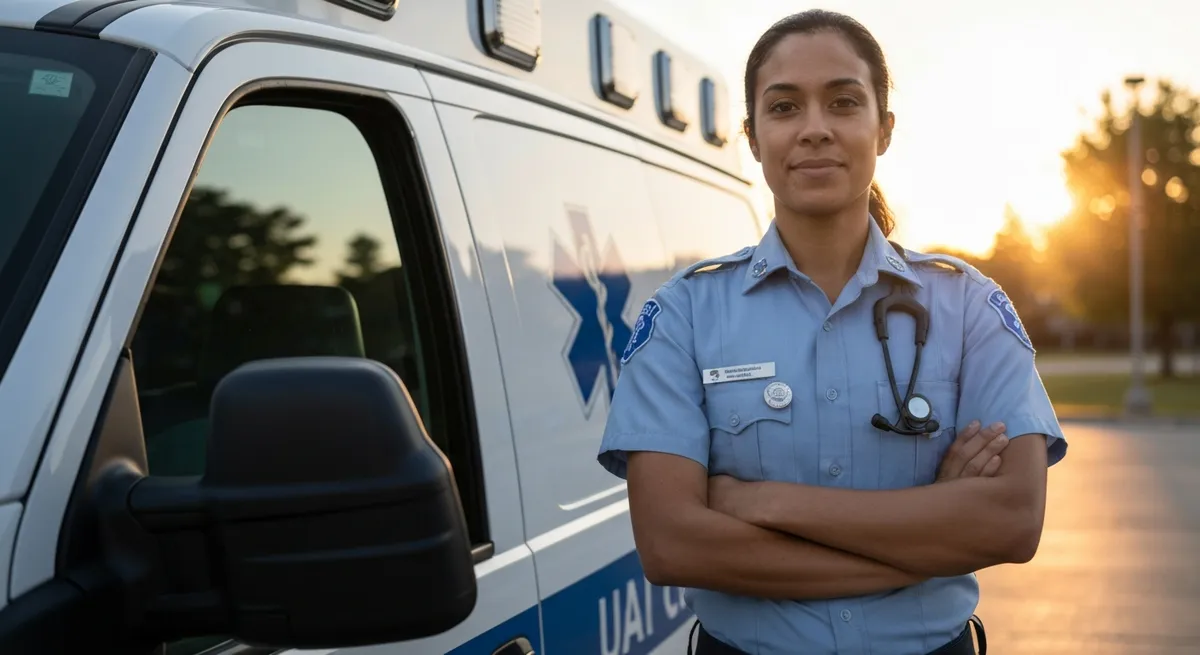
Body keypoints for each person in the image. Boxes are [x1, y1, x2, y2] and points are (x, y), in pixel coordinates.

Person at [596, 9, 1067, 655]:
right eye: (785, 107)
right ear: (754, 137)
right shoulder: (683, 313)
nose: (815, 129)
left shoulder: (971, 306)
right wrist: (926, 536)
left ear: (884, 128)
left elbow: (1012, 522)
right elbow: (673, 545)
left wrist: (765, 501)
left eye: (844, 102)